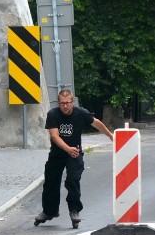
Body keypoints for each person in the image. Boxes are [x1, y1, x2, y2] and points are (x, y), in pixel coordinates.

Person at [34, 89, 113, 227]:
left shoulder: (80, 113)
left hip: (75, 153)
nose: (65, 106)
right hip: (58, 154)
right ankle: (49, 211)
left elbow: (96, 123)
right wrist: (67, 149)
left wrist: (110, 136)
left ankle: (74, 210)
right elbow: (54, 136)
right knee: (51, 181)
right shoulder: (53, 114)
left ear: (72, 102)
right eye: (62, 103)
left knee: (73, 179)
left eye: (68, 103)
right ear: (58, 103)